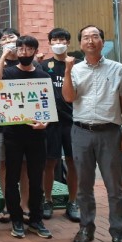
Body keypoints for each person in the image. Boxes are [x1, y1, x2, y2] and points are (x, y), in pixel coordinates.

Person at [62, 25, 122, 242]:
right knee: (83, 186)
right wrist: (67, 71)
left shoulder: (118, 69)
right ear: (81, 43)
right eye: (86, 37)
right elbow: (68, 97)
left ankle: (118, 235)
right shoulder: (75, 69)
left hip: (110, 133)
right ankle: (86, 228)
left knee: (115, 188)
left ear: (103, 42)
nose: (90, 40)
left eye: (95, 36)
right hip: (81, 132)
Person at [0, 35, 52, 240]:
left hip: (37, 134)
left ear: (35, 51)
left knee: (36, 179)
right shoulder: (8, 73)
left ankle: (36, 220)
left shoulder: (43, 75)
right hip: (13, 134)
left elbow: (48, 104)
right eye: (21, 49)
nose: (24, 52)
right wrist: (2, 58)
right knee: (12, 178)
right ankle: (16, 219)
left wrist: (46, 122)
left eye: (28, 49)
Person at [0, 28, 29, 223]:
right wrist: (2, 58)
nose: (8, 40)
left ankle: (25, 205)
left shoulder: (28, 62)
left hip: (25, 122)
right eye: (4, 39)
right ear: (0, 44)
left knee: (24, 165)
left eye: (11, 37)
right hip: (2, 122)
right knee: (4, 164)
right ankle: (8, 204)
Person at [40, 28, 81, 222]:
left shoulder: (78, 64)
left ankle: (72, 202)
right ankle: (47, 200)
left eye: (62, 40)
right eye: (55, 40)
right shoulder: (43, 65)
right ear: (49, 43)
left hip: (73, 121)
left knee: (73, 162)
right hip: (50, 122)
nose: (58, 43)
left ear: (68, 43)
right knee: (49, 162)